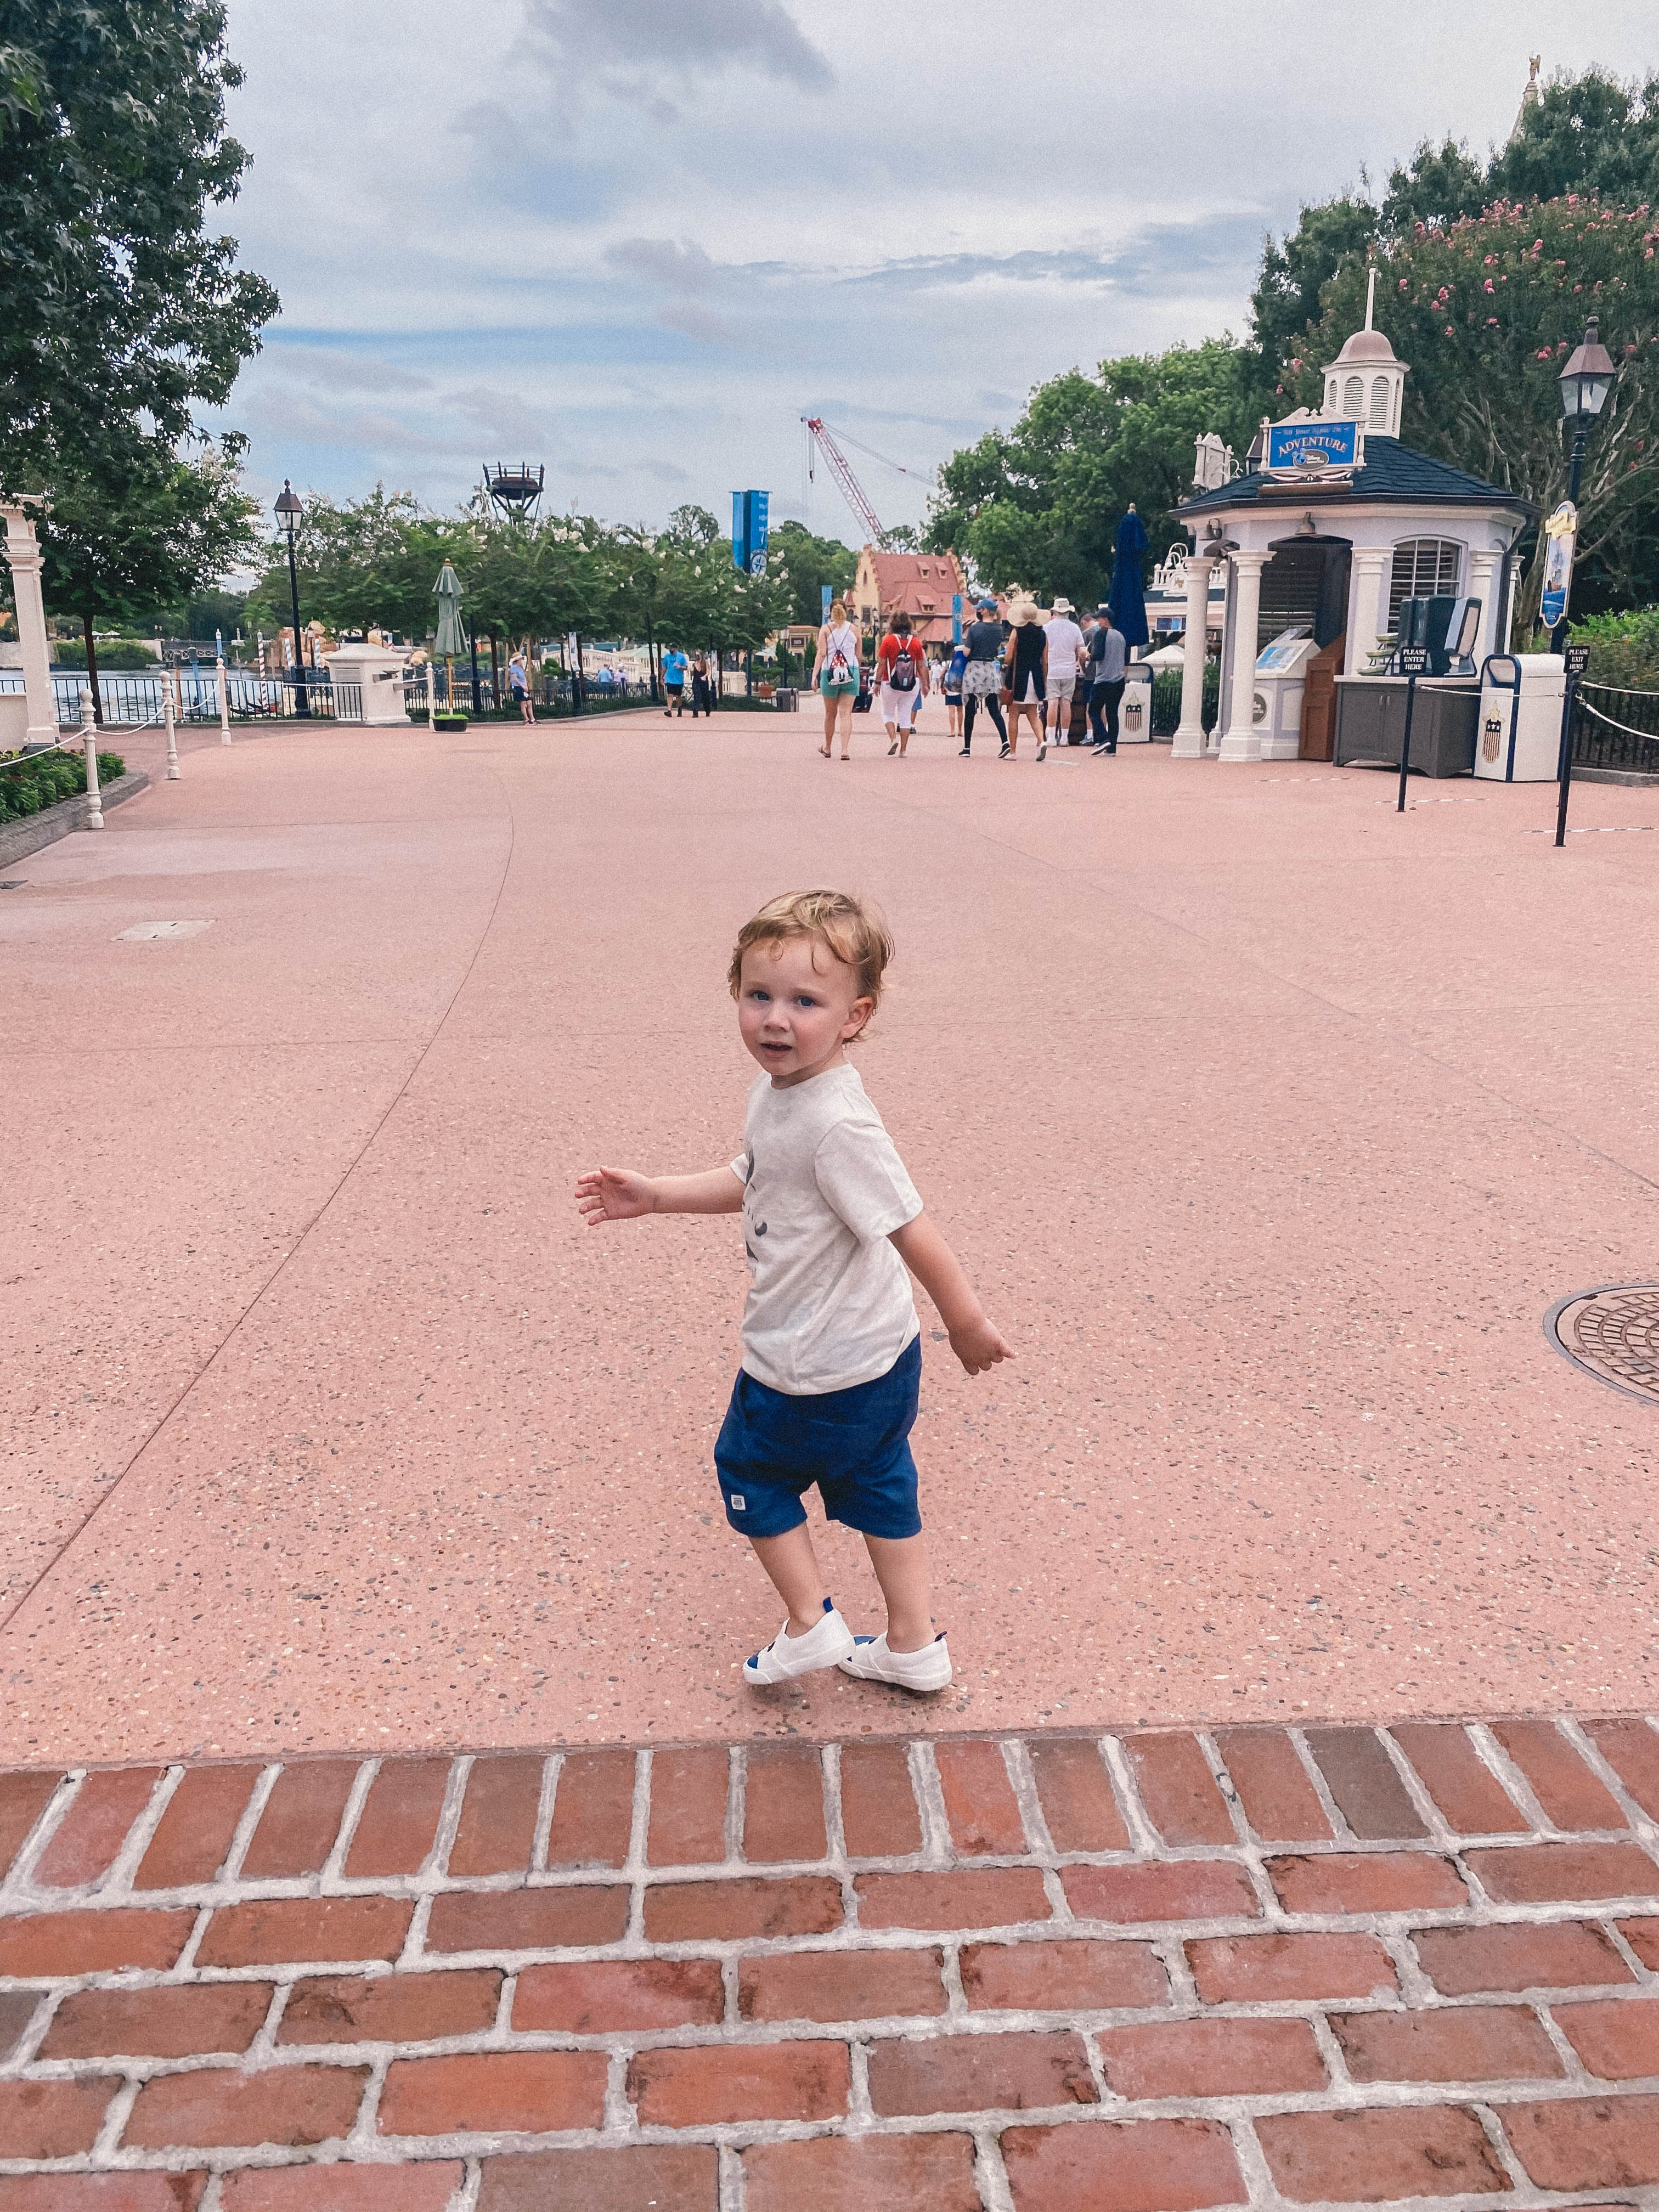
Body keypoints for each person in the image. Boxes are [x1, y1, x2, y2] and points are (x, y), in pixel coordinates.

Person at [574, 889, 1010, 1692]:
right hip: (878, 1357)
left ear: (856, 1015)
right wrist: (659, 1195)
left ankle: (811, 1624)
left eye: (806, 1002)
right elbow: (758, 1174)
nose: (777, 1019)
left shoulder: (835, 1122)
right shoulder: (787, 1095)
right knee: (879, 1487)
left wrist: (969, 1321)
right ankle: (914, 1646)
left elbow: (911, 1225)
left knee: (748, 1469)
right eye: (759, 995)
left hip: (807, 1366)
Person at [812, 600, 861, 759]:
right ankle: (845, 750)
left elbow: (821, 653)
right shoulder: (855, 630)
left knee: (830, 714)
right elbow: (858, 656)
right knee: (846, 713)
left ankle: (827, 748)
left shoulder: (825, 630)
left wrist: (815, 675)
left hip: (830, 673)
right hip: (851, 673)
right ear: (846, 611)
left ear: (831, 612)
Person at [959, 597, 1007, 757]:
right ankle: (1005, 741)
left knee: (970, 709)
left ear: (984, 611)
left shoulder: (975, 629)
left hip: (975, 669)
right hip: (990, 669)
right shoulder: (998, 629)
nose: (977, 611)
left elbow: (966, 652)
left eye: (979, 609)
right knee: (994, 709)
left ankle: (967, 748)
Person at [876, 611, 928, 756]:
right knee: (905, 717)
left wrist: (877, 682)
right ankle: (903, 750)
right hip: (912, 683)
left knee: (888, 714)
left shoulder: (887, 640)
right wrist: (925, 684)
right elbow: (921, 666)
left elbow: (881, 664)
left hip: (889, 682)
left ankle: (893, 739)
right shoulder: (916, 642)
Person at [1002, 598, 1047, 759]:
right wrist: (1044, 681)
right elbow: (1045, 661)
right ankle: (1041, 741)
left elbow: (1008, 657)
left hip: (1018, 674)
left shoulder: (1017, 632)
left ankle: (1013, 751)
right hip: (1035, 675)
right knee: (1033, 714)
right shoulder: (1042, 634)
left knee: (1013, 714)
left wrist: (1006, 662)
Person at [1042, 596, 1086, 749]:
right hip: (1069, 670)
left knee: (1052, 701)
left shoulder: (1047, 627)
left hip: (1051, 669)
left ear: (1055, 611)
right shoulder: (1075, 628)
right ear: (1068, 612)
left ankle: (1051, 736)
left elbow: (1043, 649)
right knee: (1066, 702)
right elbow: (1081, 651)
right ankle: (1065, 737)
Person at [1086, 604, 1127, 753]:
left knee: (1093, 710)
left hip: (1104, 679)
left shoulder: (1101, 634)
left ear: (1106, 619)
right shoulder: (1121, 636)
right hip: (1119, 680)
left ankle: (1103, 738)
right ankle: (1113, 747)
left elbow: (1098, 655)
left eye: (1099, 619)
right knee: (1112, 712)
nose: (1098, 622)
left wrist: (1088, 656)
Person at [942, 635, 966, 744]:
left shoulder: (949, 663)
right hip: (960, 688)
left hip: (950, 689)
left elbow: (943, 674)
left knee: (951, 710)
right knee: (960, 710)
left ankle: (952, 731)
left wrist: (941, 685)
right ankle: (961, 731)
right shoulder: (963, 662)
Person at [509, 649, 535, 725]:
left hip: (524, 687)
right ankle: (526, 719)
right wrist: (523, 687)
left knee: (529, 702)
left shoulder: (521, 668)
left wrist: (526, 687)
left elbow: (524, 678)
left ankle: (532, 719)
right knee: (523, 703)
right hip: (518, 687)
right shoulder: (513, 668)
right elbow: (515, 679)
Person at [663, 646, 689, 717]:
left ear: (675, 648)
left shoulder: (681, 656)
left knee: (678, 696)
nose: (671, 649)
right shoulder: (667, 657)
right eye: (670, 648)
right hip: (670, 679)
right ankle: (669, 711)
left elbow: (686, 667)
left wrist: (680, 667)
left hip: (679, 680)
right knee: (670, 695)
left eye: (672, 648)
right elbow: (664, 668)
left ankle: (679, 708)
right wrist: (662, 677)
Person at [690, 652, 714, 719]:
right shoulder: (694, 664)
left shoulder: (705, 663)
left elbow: (708, 672)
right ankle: (695, 712)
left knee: (705, 697)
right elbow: (692, 673)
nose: (697, 656)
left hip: (703, 682)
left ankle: (707, 710)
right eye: (696, 655)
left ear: (701, 655)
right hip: (696, 681)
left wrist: (705, 676)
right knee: (697, 696)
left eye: (698, 655)